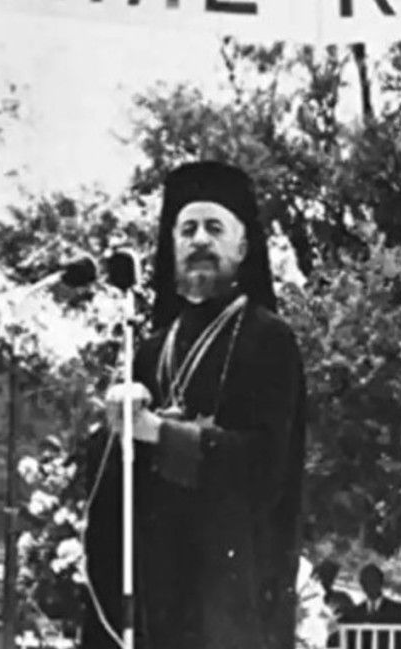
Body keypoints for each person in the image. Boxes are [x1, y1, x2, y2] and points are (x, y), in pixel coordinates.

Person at [83, 161, 308, 649]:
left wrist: (161, 433)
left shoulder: (269, 338)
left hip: (230, 589)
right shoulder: (148, 350)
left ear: (242, 247)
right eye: (187, 230)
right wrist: (115, 428)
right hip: (156, 586)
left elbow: (268, 464)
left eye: (214, 228)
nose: (199, 240)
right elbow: (117, 475)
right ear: (172, 248)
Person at [337, 564, 401, 649]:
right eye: (366, 582)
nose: (370, 585)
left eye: (374, 581)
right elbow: (349, 642)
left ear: (381, 582)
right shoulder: (353, 613)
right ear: (362, 585)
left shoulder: (398, 610)